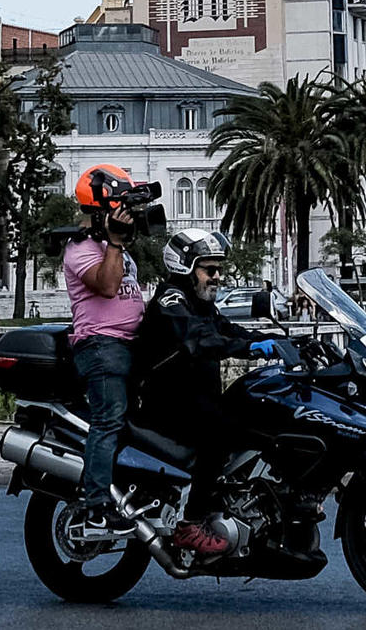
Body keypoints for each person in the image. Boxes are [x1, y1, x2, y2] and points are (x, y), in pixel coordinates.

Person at [134, 228, 282, 556]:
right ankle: (192, 523)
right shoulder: (173, 300)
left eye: (218, 269)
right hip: (167, 402)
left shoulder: (201, 305)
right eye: (209, 269)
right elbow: (200, 339)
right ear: (186, 268)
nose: (217, 276)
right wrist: (254, 348)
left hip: (195, 398)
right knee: (221, 434)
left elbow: (226, 329)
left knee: (257, 414)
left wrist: (280, 342)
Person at [62, 165, 144, 533]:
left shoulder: (114, 247)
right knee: (109, 417)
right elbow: (108, 287)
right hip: (100, 344)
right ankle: (94, 507)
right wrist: (114, 241)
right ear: (99, 211)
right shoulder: (80, 249)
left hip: (128, 345)